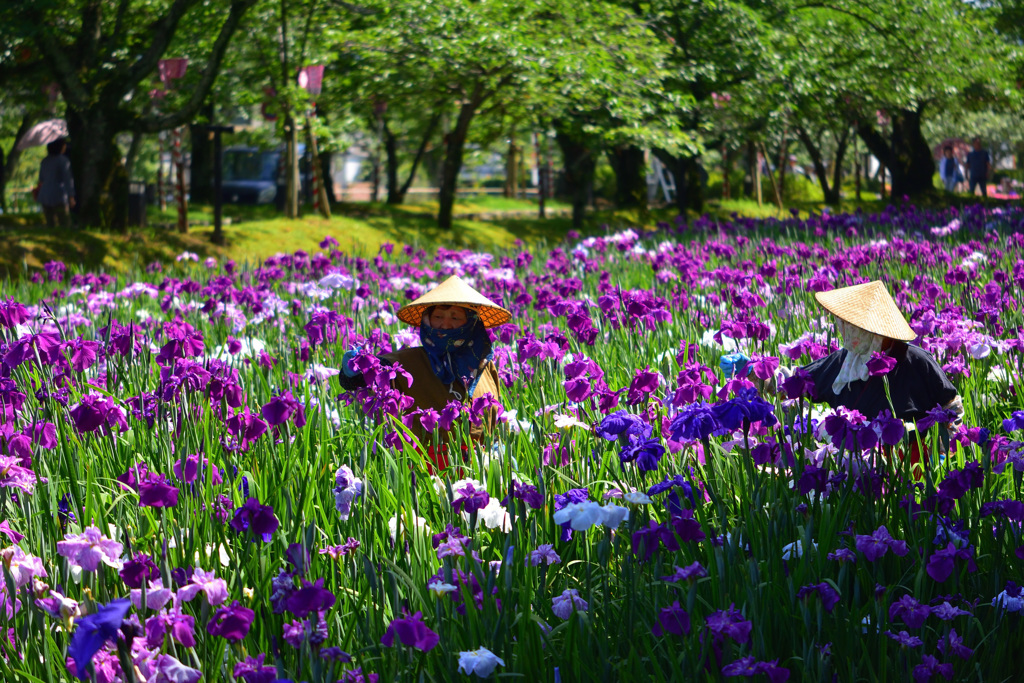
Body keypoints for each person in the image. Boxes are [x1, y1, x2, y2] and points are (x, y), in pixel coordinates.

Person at [339, 275, 509, 471]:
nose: (445, 325)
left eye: (455, 317)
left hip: (483, 471)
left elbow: (493, 419)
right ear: (427, 321)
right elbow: (356, 382)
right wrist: (354, 367)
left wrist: (497, 451)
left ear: (471, 322)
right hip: (426, 474)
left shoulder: (485, 366)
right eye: (438, 317)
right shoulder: (406, 362)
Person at [37, 138, 75, 228]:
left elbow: (41, 179)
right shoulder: (63, 161)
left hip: (45, 195)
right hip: (59, 195)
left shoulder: (45, 161)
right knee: (65, 223)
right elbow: (68, 180)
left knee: (50, 224)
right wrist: (71, 196)